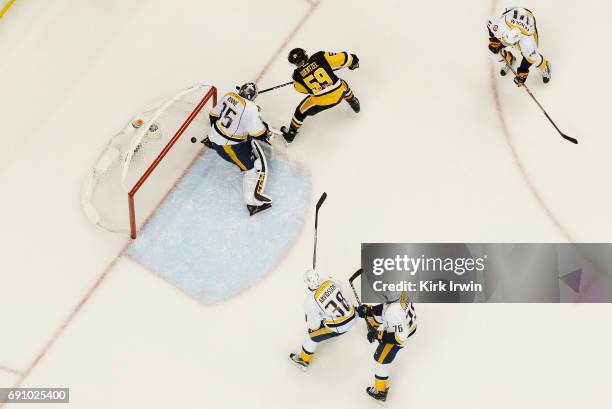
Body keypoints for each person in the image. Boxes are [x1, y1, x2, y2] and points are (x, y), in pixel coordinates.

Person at [204, 83, 273, 216]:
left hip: (213, 135)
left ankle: (212, 141)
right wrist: (266, 132)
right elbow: (258, 133)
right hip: (228, 145)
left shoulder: (229, 95)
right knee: (251, 170)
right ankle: (252, 204)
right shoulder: (251, 108)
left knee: (243, 139)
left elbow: (213, 114)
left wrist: (216, 133)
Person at [281, 47, 360, 144]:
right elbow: (342, 58)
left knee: (299, 112)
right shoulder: (319, 56)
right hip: (339, 93)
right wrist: (353, 61)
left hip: (321, 102)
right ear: (305, 55)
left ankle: (290, 135)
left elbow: (302, 90)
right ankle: (353, 102)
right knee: (343, 84)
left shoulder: (296, 75)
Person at [289, 269, 357, 371]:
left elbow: (314, 326)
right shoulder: (330, 280)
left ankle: (304, 361)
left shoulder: (310, 300)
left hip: (342, 326)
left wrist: (319, 318)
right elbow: (340, 286)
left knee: (311, 336)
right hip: (353, 315)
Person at [356, 291, 417, 404]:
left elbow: (400, 338)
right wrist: (369, 310)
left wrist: (377, 334)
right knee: (384, 315)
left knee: (380, 360)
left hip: (402, 336)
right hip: (410, 327)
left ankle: (381, 393)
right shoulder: (401, 293)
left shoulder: (393, 312)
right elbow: (386, 306)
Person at [487, 7, 551, 86]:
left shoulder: (528, 42)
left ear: (518, 41)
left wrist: (523, 71)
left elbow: (530, 58)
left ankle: (545, 65)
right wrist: (494, 40)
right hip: (513, 13)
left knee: (534, 57)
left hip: (529, 22)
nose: (504, 43)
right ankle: (509, 59)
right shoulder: (500, 26)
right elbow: (489, 22)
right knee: (492, 52)